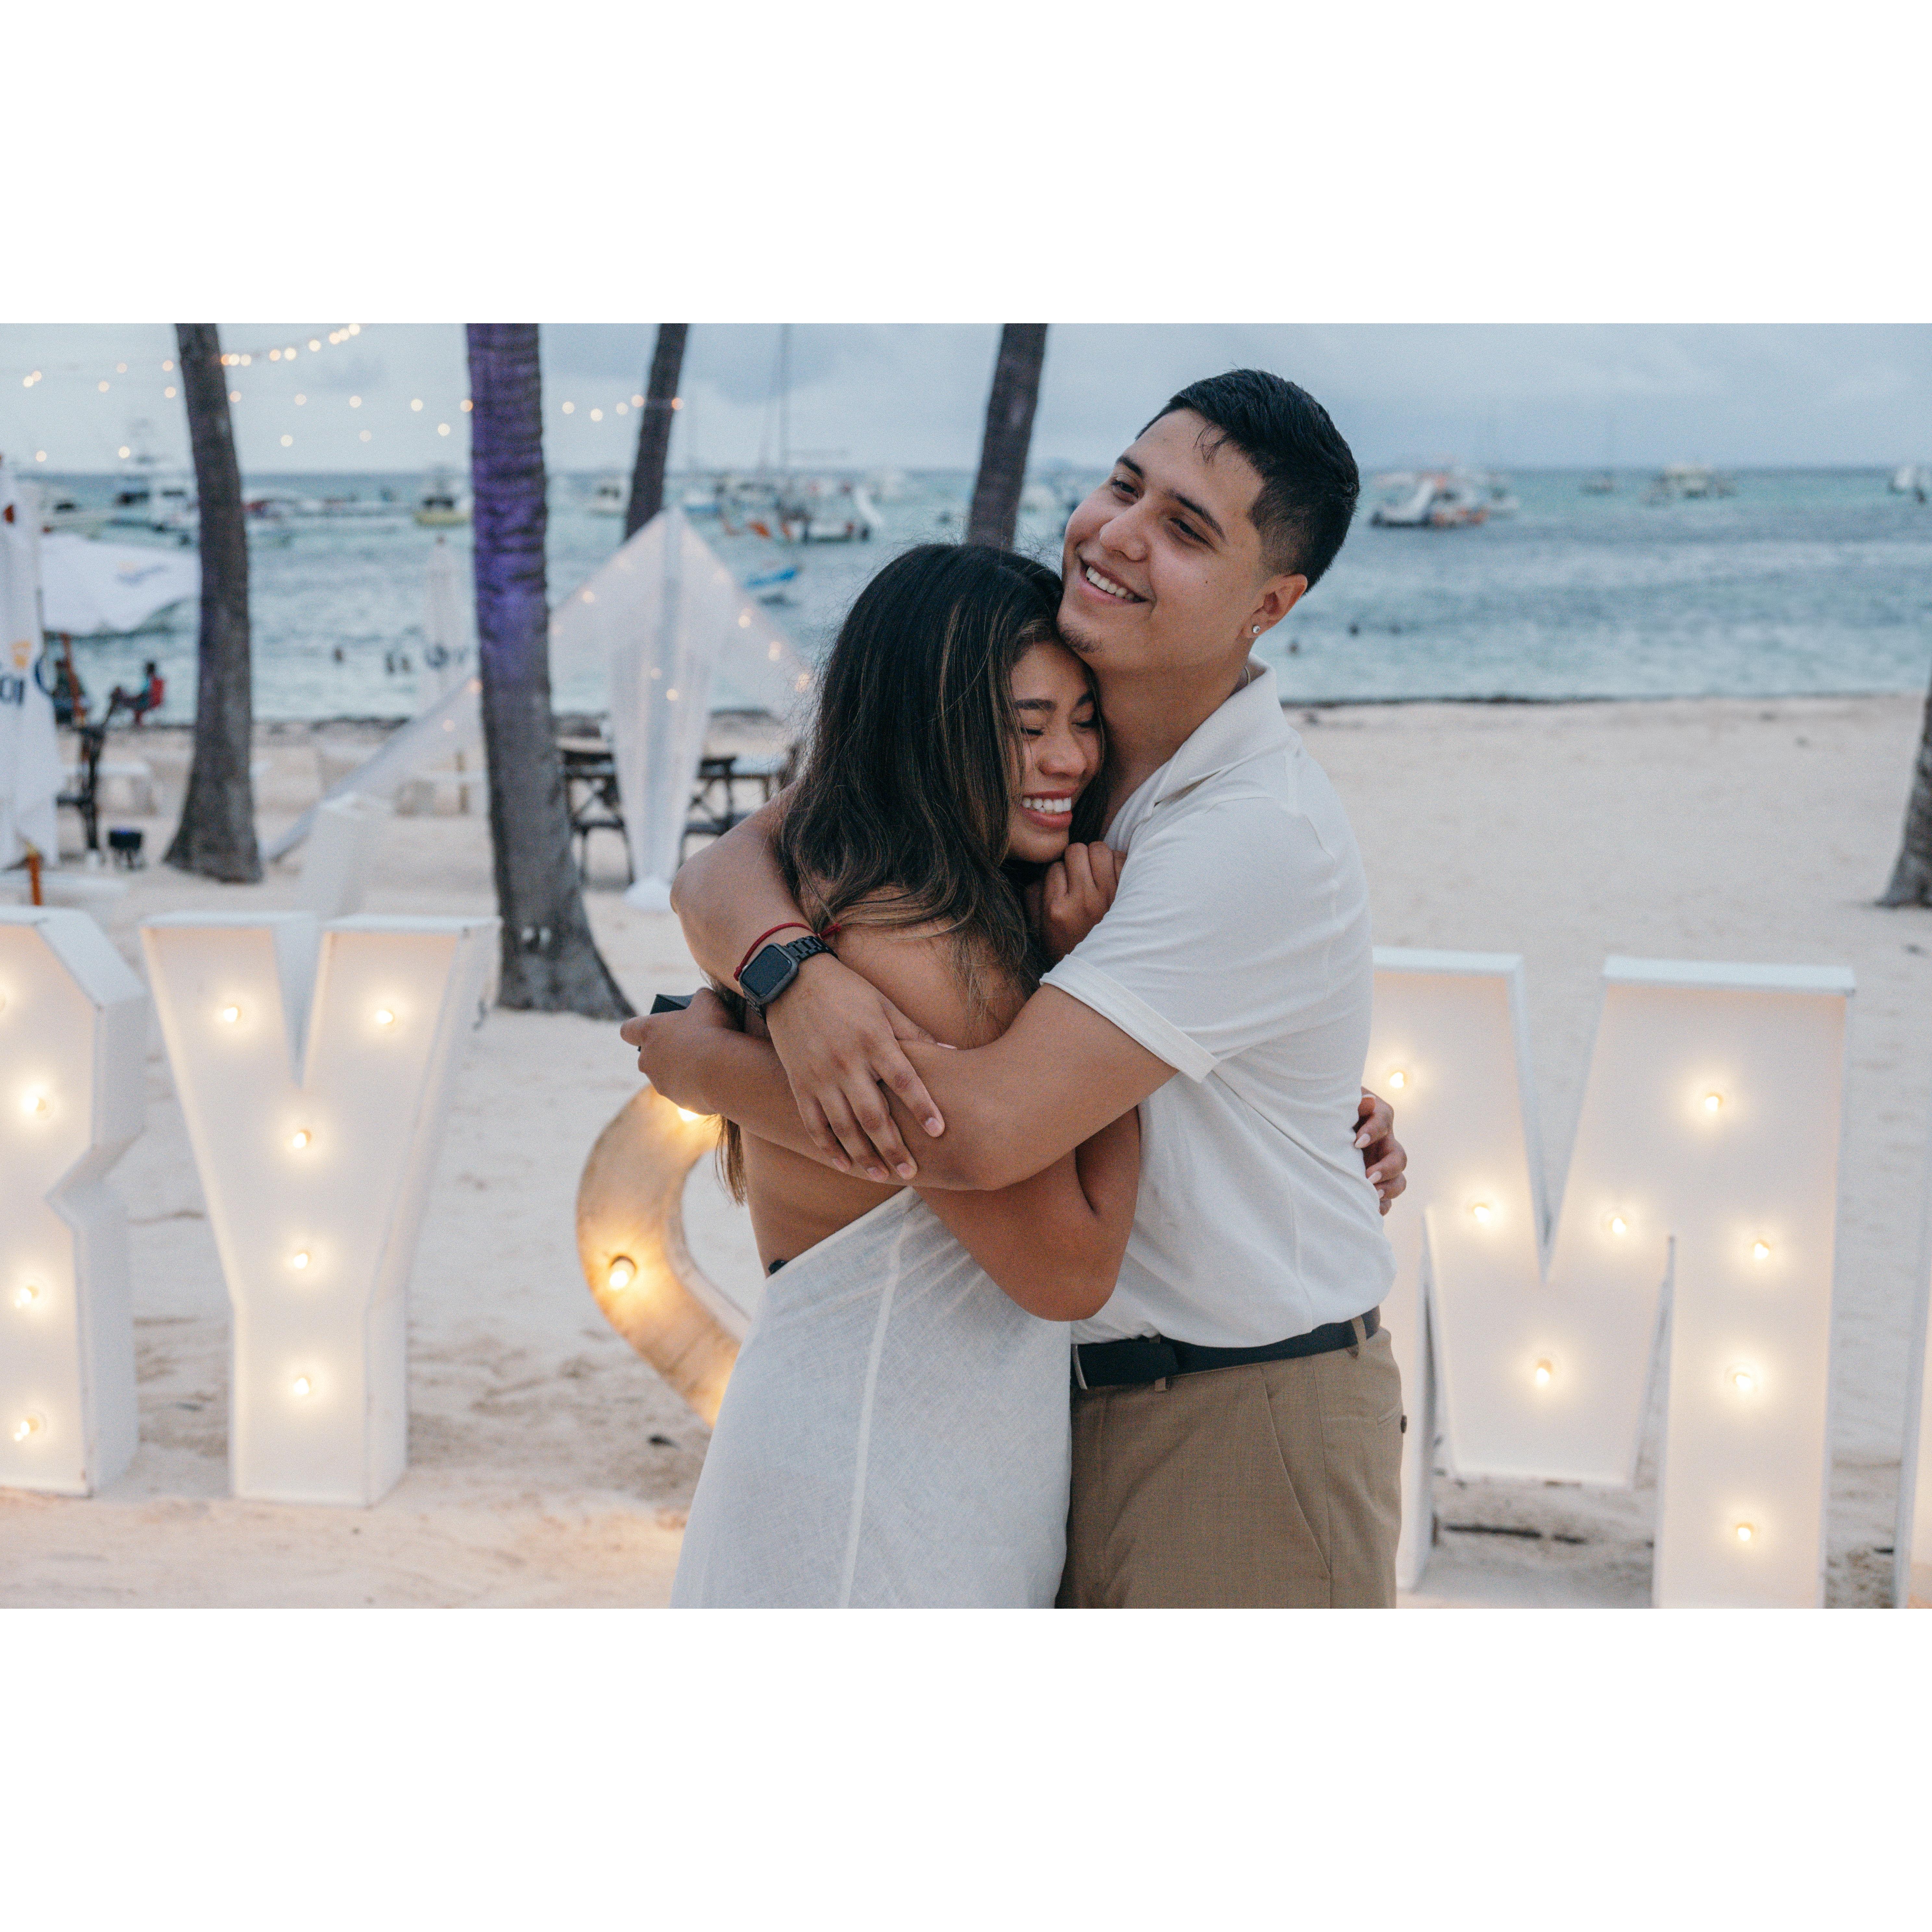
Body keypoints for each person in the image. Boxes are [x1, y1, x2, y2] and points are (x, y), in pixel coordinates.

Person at [632, 370, 1410, 1607]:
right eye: (1125, 485)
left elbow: (988, 1131)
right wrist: (793, 976)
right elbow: (733, 863)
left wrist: (716, 1065)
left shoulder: (1244, 830)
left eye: (1186, 527)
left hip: (1232, 1410)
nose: (1122, 533)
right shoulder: (1047, 759)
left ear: (1270, 604)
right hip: (1048, 1409)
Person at [643, 544, 1142, 1607]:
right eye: (1027, 728)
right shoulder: (921, 942)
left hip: (873, 1455)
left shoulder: (842, 876)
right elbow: (1068, 1268)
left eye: (1084, 719)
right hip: (878, 1484)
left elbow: (718, 866)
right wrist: (1101, 981)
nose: (1069, 759)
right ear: (932, 730)